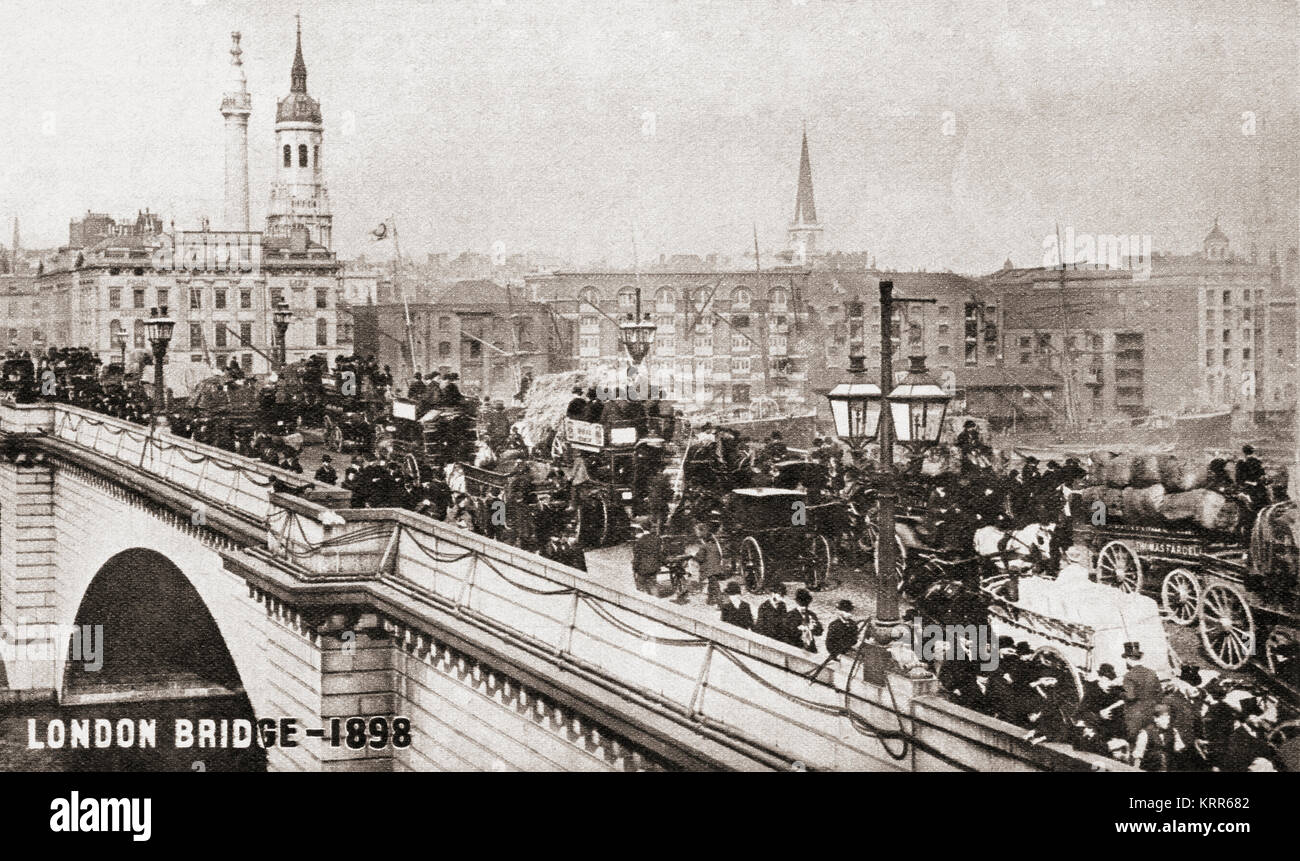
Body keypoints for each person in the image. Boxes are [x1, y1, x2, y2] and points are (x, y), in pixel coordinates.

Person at [1121, 641, 1162, 740]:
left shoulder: (1129, 676)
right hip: (1152, 712)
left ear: (1128, 659)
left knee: (1134, 741)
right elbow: (1160, 693)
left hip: (1135, 715)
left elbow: (1130, 696)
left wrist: (1120, 693)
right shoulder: (1152, 673)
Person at [1131, 703, 1186, 772]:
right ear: (1155, 719)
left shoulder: (1173, 732)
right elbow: (1138, 755)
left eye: (1169, 718)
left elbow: (1179, 750)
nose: (1168, 721)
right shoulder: (1145, 733)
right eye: (1164, 718)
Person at [631, 516, 665, 595]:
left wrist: (634, 567)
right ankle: (656, 599)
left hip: (643, 568)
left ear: (642, 528)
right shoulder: (657, 539)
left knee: (640, 586)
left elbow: (637, 557)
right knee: (653, 583)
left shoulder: (640, 541)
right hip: (654, 566)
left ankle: (644, 599)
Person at [788, 588, 823, 652]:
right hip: (796, 648)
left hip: (811, 648)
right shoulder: (791, 615)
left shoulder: (812, 615)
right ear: (797, 602)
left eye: (806, 604)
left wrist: (814, 627)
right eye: (802, 603)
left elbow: (819, 632)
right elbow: (789, 634)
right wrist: (804, 629)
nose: (804, 606)